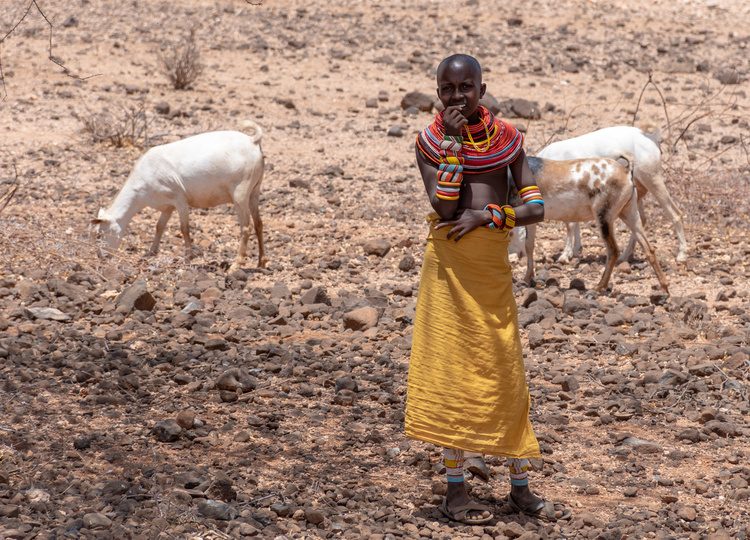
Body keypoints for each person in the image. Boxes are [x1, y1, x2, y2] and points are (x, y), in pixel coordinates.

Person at [405, 54, 571, 525]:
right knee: (453, 373)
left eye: (465, 87)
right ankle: (455, 492)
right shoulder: (430, 142)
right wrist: (453, 146)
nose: (457, 96)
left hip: (491, 269)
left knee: (505, 374)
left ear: (482, 87)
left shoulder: (509, 141)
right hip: (449, 267)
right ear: (438, 93)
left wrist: (490, 215)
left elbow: (535, 207)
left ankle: (520, 488)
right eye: (447, 89)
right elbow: (443, 207)